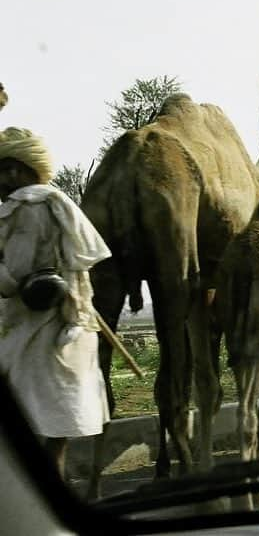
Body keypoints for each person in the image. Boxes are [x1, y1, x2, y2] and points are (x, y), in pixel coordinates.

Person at [0, 127, 111, 479]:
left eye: (9, 170)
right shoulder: (57, 202)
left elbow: (14, 274)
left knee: (30, 423)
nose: (4, 179)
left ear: (26, 170)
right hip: (69, 325)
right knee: (54, 430)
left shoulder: (28, 208)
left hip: (36, 331)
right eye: (1, 171)